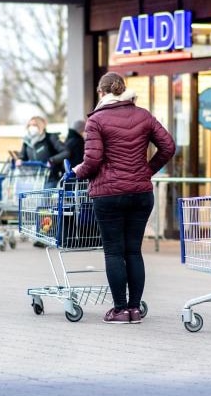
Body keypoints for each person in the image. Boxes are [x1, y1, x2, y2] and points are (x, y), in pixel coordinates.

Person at [73, 72, 175, 324]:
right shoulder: (144, 115)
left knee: (114, 252)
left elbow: (93, 160)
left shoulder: (96, 120)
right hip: (140, 193)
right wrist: (147, 170)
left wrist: (77, 172)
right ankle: (135, 309)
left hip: (109, 195)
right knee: (133, 251)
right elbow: (169, 146)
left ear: (101, 93)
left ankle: (119, 310)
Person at [18, 116, 69, 188]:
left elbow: (66, 152)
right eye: (30, 125)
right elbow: (23, 156)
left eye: (34, 125)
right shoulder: (27, 141)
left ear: (41, 126)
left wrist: (52, 160)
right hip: (34, 179)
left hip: (50, 177)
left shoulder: (50, 138)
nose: (32, 127)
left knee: (44, 198)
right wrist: (19, 160)